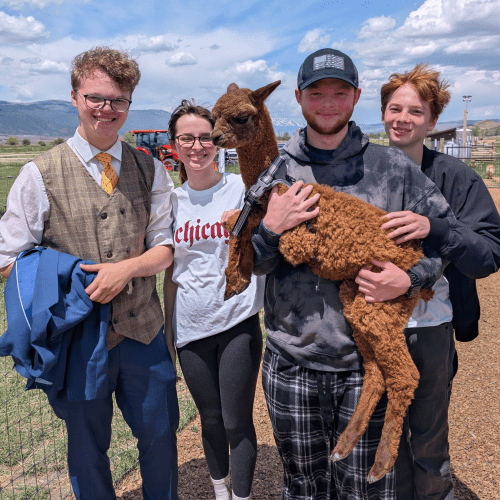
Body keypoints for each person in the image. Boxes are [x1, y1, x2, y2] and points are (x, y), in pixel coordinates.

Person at [251, 48, 456, 500]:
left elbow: (444, 237)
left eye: (339, 93)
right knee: (302, 486)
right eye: (316, 93)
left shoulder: (393, 169)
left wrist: (413, 277)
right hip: (292, 358)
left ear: (356, 97)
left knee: (361, 491)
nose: (328, 103)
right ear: (300, 100)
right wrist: (269, 229)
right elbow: (254, 263)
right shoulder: (277, 173)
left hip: (361, 366)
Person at [0, 47, 179, 500]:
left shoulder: (152, 168)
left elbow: (164, 248)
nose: (107, 109)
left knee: (160, 438)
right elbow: (9, 259)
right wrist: (65, 280)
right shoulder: (37, 175)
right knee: (86, 450)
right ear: (75, 97)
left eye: (118, 100)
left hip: (143, 329)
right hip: (79, 340)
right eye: (96, 98)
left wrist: (126, 270)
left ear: (129, 104)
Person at [380, 64, 500, 500]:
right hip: (373, 328)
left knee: (428, 441)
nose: (403, 118)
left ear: (431, 121)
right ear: (383, 113)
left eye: (416, 111)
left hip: (431, 327)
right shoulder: (360, 175)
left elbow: (488, 255)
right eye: (395, 108)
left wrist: (438, 229)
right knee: (381, 438)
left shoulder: (456, 178)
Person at [163, 100, 264, 500]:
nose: (197, 146)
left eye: (205, 137)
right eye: (187, 138)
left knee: (237, 421)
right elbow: (172, 274)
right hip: (191, 326)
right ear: (174, 144)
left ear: (218, 140)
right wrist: (171, 335)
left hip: (237, 321)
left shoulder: (242, 189)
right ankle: (220, 491)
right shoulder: (171, 202)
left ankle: (241, 496)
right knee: (209, 418)